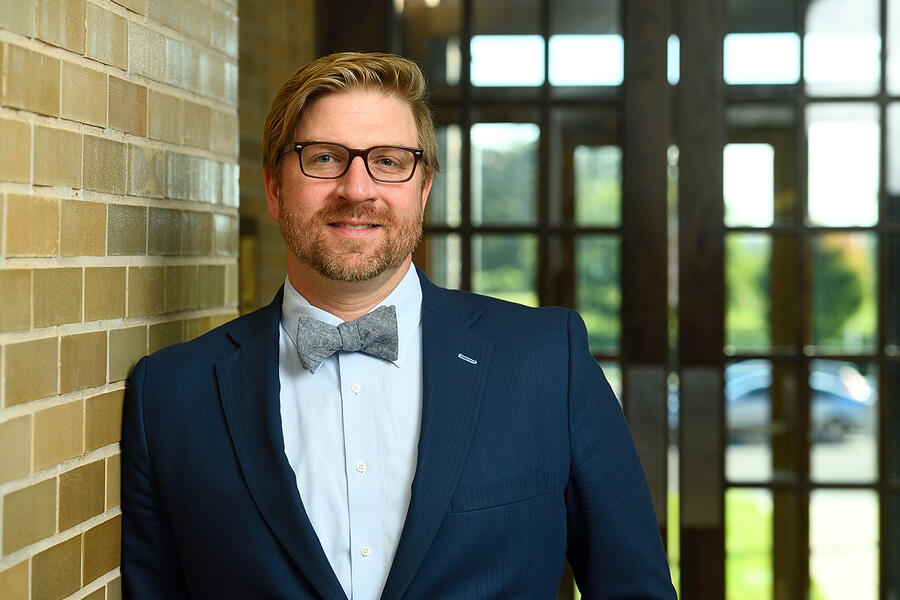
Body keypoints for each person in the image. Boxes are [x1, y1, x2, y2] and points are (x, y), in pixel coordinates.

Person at [121, 51, 676, 600]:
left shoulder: (549, 360)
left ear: (424, 187)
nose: (357, 189)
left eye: (388, 161)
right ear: (274, 186)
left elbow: (634, 588)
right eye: (324, 158)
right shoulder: (168, 395)